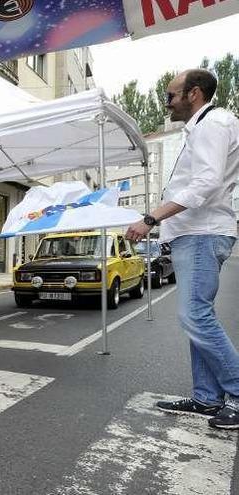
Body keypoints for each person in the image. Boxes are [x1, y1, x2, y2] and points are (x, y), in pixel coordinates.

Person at [125, 69, 239, 429]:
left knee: (195, 316)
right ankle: (207, 397)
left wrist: (151, 217)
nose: (167, 103)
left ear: (193, 94)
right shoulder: (203, 127)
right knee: (197, 318)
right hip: (194, 232)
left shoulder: (214, 123)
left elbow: (206, 182)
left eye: (171, 96)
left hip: (203, 232)